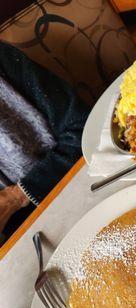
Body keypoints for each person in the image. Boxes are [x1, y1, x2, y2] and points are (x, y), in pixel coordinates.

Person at [0, 41, 90, 236]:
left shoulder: (3, 60)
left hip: (80, 185)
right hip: (23, 241)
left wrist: (16, 196)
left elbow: (83, 127)